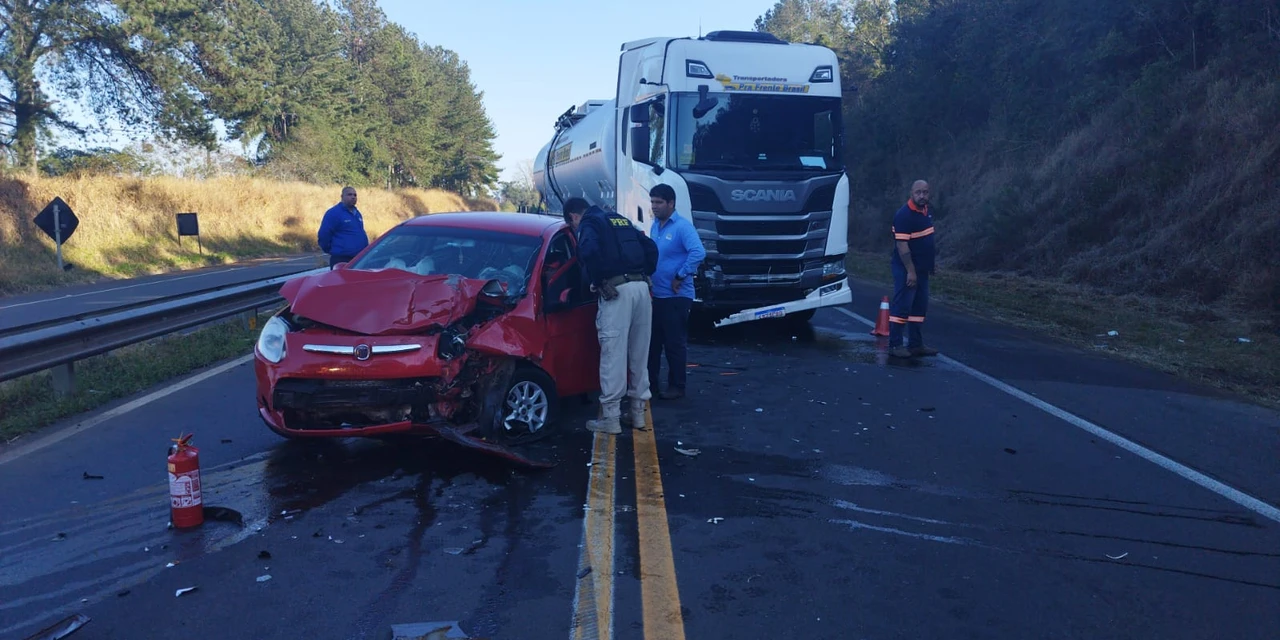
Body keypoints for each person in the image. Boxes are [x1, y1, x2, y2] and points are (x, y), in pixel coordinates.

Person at [570, 202, 659, 434]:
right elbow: (650, 248)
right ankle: (638, 414)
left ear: (573, 217)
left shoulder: (590, 222)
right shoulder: (619, 219)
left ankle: (611, 418)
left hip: (618, 292)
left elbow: (588, 251)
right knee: (640, 354)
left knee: (613, 355)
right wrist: (644, 273)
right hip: (642, 289)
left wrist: (598, 280)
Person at [646, 184, 705, 400]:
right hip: (657, 296)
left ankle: (677, 386)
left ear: (671, 203)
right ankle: (651, 385)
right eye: (652, 202)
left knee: (674, 343)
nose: (654, 206)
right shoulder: (655, 226)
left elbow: (698, 252)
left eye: (659, 202)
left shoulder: (682, 227)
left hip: (676, 297)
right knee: (652, 344)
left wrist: (681, 275)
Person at [889, 180, 940, 359]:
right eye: (918, 192)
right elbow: (902, 246)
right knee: (903, 305)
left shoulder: (926, 211)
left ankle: (916, 344)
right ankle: (895, 345)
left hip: (922, 269)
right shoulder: (904, 215)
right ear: (911, 193)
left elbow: (924, 241)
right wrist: (910, 271)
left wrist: (929, 265)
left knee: (919, 307)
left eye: (925, 192)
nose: (922, 196)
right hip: (906, 268)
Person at [317, 186, 369, 268]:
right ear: (342, 197)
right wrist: (331, 249)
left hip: (358, 259)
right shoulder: (334, 213)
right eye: (349, 194)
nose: (353, 197)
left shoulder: (357, 213)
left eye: (355, 195)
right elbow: (324, 234)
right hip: (341, 259)